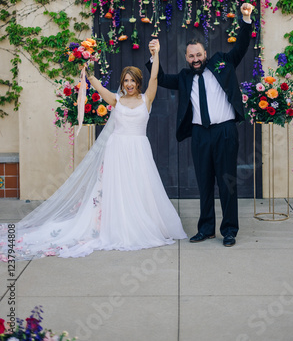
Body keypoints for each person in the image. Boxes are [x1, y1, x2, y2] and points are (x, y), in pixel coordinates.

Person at [0, 41, 186, 261]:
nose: (129, 84)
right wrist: (85, 68)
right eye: (125, 80)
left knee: (139, 188)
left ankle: (137, 224)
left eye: (132, 80)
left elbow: (155, 79)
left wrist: (156, 55)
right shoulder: (115, 100)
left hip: (138, 150)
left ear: (138, 82)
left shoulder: (147, 99)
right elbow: (98, 87)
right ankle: (116, 225)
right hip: (117, 149)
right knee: (118, 189)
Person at [146, 3, 254, 247]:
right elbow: (160, 78)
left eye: (199, 55)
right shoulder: (184, 77)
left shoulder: (223, 63)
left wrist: (246, 19)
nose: (196, 59)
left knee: (227, 182)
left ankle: (229, 230)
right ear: (186, 58)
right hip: (200, 135)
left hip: (225, 131)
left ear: (206, 53)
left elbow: (242, 46)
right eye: (191, 56)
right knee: (204, 183)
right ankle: (205, 229)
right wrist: (154, 55)